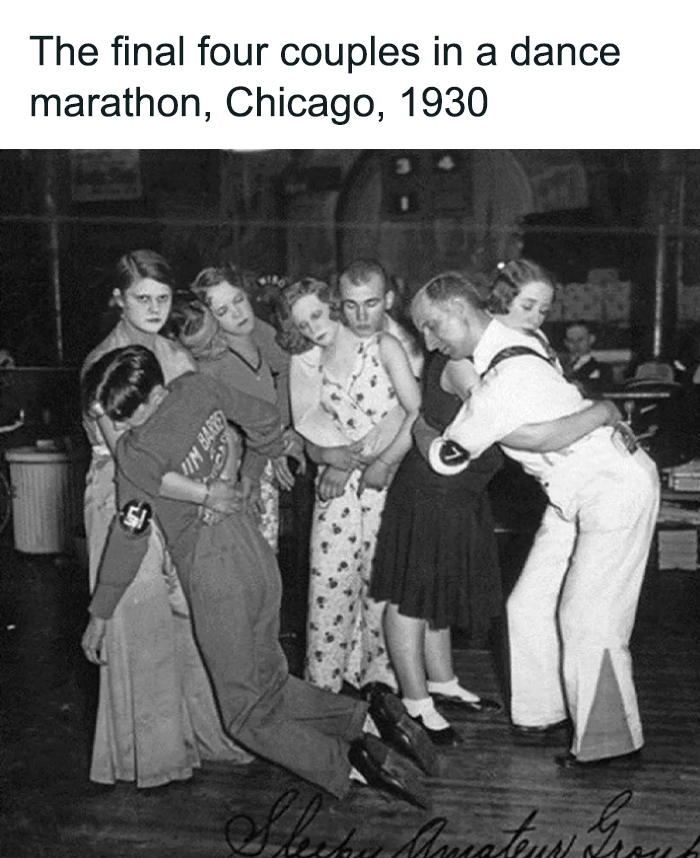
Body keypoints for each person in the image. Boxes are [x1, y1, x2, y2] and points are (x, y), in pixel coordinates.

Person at [81, 344, 436, 807]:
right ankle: (366, 719)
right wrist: (247, 473)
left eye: (120, 415)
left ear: (148, 400)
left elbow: (130, 537)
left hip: (212, 571)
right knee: (270, 682)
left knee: (243, 714)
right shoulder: (197, 388)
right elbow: (266, 420)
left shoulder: (135, 453)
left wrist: (101, 613)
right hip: (254, 553)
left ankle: (349, 764)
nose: (116, 425)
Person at [411, 266, 660, 768]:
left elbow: (447, 457)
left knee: (589, 617)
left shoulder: (503, 378)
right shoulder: (517, 342)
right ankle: (543, 714)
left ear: (458, 311)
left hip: (612, 487)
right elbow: (538, 431)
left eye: (432, 327)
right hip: (569, 491)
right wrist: (598, 410)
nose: (430, 342)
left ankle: (611, 744)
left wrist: (419, 425)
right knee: (528, 605)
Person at [81, 250, 251, 789]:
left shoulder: (175, 352)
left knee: (191, 615)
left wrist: (225, 473)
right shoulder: (101, 363)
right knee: (140, 621)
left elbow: (215, 421)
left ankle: (207, 737)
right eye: (142, 299)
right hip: (123, 499)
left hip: (186, 491)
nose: (154, 309)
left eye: (162, 298)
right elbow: (134, 465)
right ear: (119, 299)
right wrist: (206, 493)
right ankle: (152, 757)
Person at [281, 277, 421, 695]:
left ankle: (381, 688)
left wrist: (356, 459)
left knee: (380, 585)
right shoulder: (307, 360)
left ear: (334, 306)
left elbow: (408, 411)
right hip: (334, 484)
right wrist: (331, 456)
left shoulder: (383, 342)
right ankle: (324, 690)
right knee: (329, 583)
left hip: (384, 477)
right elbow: (307, 426)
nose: (313, 327)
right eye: (302, 324)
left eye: (317, 314)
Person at [175, 265, 304, 551]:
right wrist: (259, 461)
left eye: (238, 300)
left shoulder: (258, 331)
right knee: (244, 546)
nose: (238, 313)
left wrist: (281, 428)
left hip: (266, 451)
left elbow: (286, 368)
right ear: (210, 318)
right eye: (222, 311)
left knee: (267, 546)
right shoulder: (212, 364)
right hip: (236, 467)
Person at [562, 321, 613, 394]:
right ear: (565, 343)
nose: (575, 345)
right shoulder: (558, 365)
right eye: (571, 340)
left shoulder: (603, 369)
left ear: (591, 339)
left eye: (580, 340)